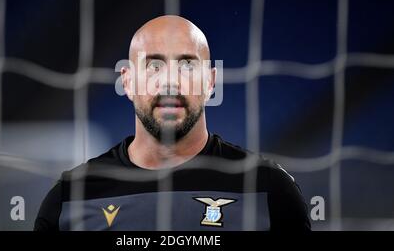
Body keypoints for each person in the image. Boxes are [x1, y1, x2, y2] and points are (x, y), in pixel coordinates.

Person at [34, 15, 311, 231]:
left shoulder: (268, 189)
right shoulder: (71, 199)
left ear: (211, 82)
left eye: (187, 65)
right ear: (127, 81)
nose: (170, 81)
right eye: (154, 66)